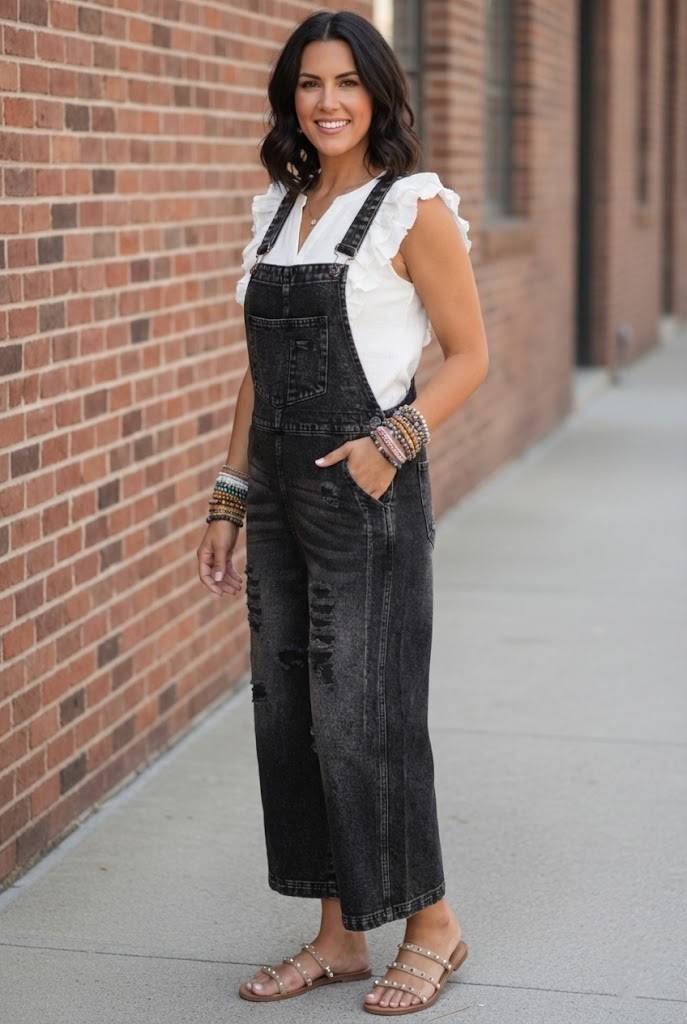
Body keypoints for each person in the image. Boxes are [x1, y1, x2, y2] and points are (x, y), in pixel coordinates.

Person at [196, 9, 489, 1016]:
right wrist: (230, 494)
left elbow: (471, 356)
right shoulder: (280, 210)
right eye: (310, 83)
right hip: (278, 499)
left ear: (379, 93)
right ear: (291, 98)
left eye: (348, 82)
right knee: (294, 718)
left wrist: (388, 444)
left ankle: (433, 925)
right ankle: (339, 937)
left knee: (366, 718)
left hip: (365, 498)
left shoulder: (413, 207)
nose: (328, 102)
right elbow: (258, 370)